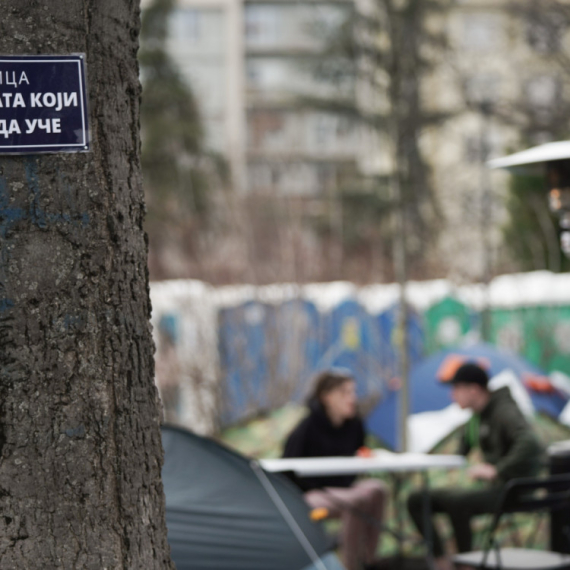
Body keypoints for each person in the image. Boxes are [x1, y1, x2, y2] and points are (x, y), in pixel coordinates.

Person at [407, 362, 545, 570]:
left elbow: (531, 443)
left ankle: (466, 563)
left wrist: (497, 470)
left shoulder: (503, 410)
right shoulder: (477, 417)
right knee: (417, 500)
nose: (452, 396)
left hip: (514, 490)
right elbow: (461, 451)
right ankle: (441, 561)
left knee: (458, 502)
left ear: (473, 389)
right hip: (496, 488)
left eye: (456, 389)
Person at [283, 369, 388, 570]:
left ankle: (368, 559)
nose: (352, 399)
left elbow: (357, 459)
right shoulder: (308, 427)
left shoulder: (355, 425)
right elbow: (288, 468)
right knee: (356, 501)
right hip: (311, 493)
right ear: (327, 397)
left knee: (378, 490)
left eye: (353, 392)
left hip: (344, 487)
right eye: (345, 393)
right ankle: (350, 565)